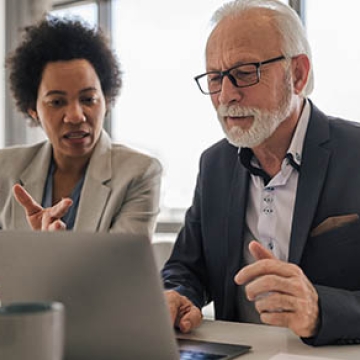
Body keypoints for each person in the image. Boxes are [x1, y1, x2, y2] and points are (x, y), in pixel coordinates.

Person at [162, 0, 360, 346]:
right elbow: (187, 268)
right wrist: (178, 295)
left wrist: (321, 310)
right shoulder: (214, 165)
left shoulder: (355, 153)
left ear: (297, 74)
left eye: (243, 73)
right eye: (214, 77)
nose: (226, 95)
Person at [2, 15, 162, 236]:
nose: (76, 116)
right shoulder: (4, 170)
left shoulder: (138, 174)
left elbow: (120, 266)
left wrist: (45, 254)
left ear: (106, 100)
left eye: (88, 99)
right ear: (33, 110)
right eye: (57, 102)